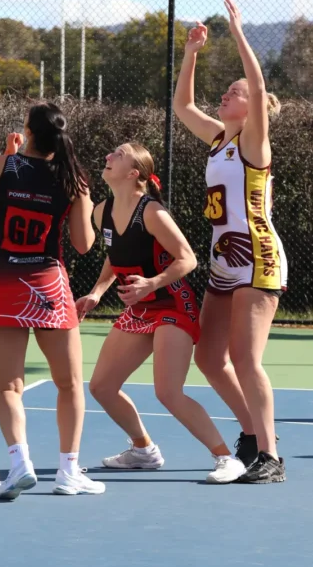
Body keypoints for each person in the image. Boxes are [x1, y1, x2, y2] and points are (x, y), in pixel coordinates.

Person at [82, 142, 246, 484]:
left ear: (134, 173)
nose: (108, 155)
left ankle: (226, 458)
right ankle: (143, 450)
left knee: (168, 391)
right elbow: (117, 255)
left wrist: (151, 283)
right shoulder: (102, 211)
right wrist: (97, 292)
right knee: (101, 386)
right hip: (141, 307)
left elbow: (188, 258)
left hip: (172, 303)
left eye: (118, 154)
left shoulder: (153, 212)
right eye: (110, 151)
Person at [173, 0, 287, 483]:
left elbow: (258, 84)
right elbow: (182, 105)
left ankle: (271, 457)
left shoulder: (252, 141)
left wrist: (238, 31)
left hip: (257, 257)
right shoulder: (220, 137)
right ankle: (250, 434)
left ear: (253, 104)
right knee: (209, 357)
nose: (227, 94)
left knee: (245, 358)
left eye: (233, 91)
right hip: (225, 262)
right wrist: (192, 53)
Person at [0, 102, 105, 500]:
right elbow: (84, 245)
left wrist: (9, 156)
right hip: (48, 284)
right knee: (69, 383)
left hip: (3, 280)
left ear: (28, 131)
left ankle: (19, 463)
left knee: (7, 387)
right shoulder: (74, 179)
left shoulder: (4, 166)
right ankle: (68, 470)